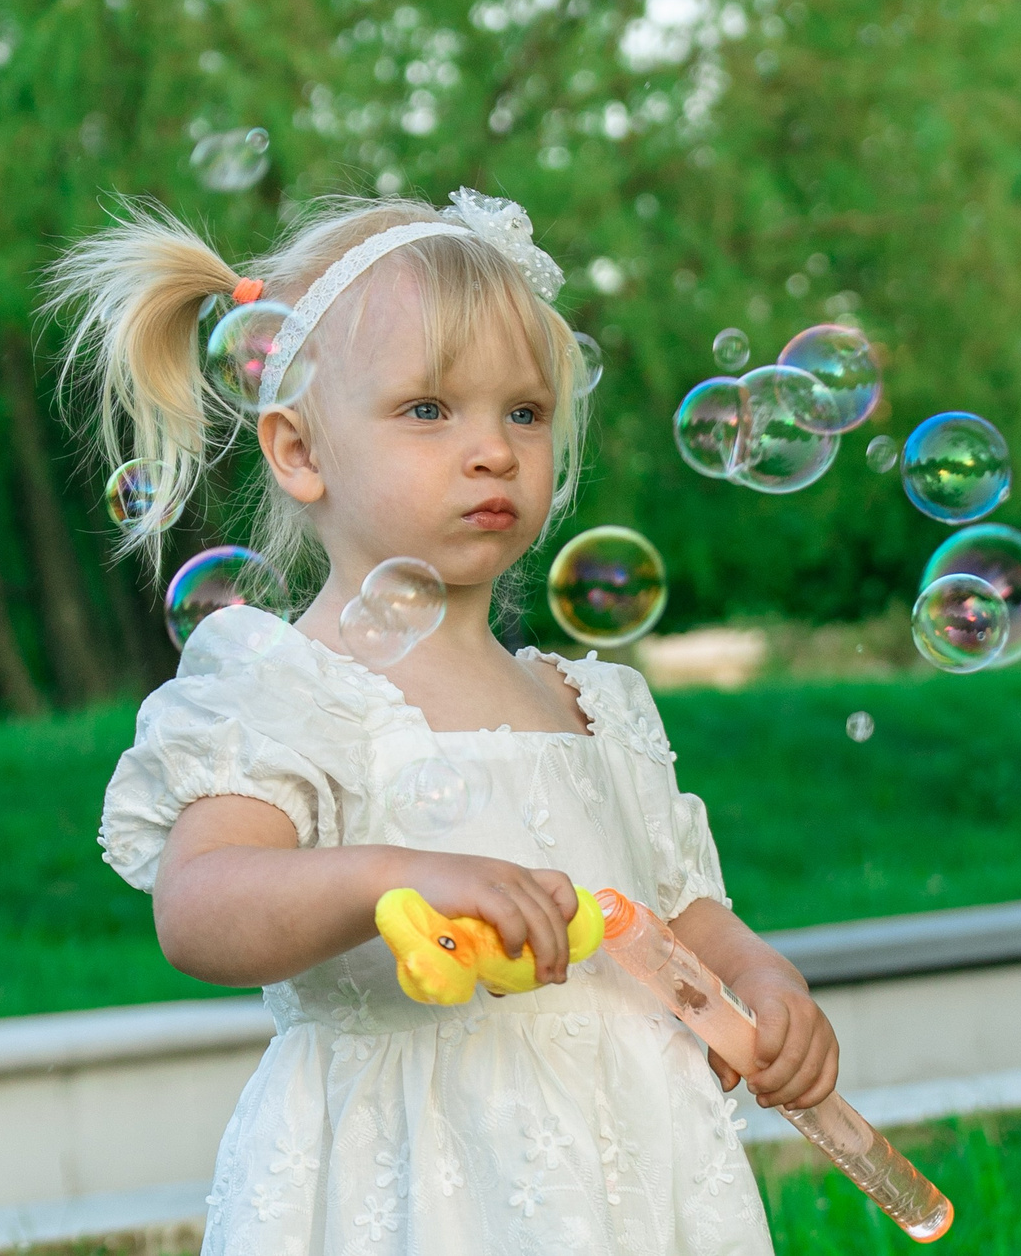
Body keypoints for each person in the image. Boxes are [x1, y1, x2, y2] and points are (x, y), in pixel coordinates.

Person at [47, 189, 839, 1255]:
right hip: (410, 1179)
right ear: (299, 450)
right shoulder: (287, 687)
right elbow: (200, 906)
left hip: (622, 1181)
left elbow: (687, 920)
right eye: (428, 409)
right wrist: (390, 875)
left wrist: (766, 985)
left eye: (524, 410)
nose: (493, 450)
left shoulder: (591, 703)